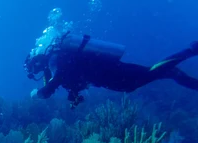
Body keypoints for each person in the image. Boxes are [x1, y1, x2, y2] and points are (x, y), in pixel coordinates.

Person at [24, 32, 198, 108]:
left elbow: (55, 82)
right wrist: (75, 95)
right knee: (154, 74)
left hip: (112, 74)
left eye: (34, 68)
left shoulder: (55, 59)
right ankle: (182, 76)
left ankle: (190, 50)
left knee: (150, 73)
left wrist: (37, 94)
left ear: (38, 60)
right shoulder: (58, 59)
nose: (37, 72)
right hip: (110, 76)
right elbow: (72, 78)